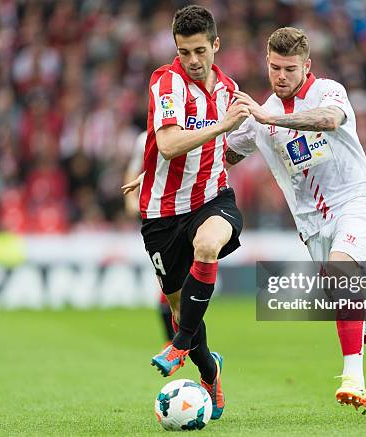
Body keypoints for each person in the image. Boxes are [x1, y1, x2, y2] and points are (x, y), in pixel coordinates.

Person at [224, 27, 366, 411]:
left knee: (341, 270)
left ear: (306, 66)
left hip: (356, 201)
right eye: (275, 67)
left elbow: (330, 120)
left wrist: (269, 119)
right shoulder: (261, 114)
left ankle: (353, 379)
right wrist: (164, 165)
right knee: (354, 313)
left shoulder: (329, 91)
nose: (281, 76)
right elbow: (226, 156)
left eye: (290, 69)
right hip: (312, 225)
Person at [129, 5, 250, 420]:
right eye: (185, 52)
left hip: (213, 200)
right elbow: (168, 145)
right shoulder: (166, 82)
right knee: (181, 307)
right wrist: (148, 169)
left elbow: (235, 145)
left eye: (200, 50)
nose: (194, 61)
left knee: (208, 243)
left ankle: (178, 345)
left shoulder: (230, 90)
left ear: (216, 44)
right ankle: (210, 372)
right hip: (161, 213)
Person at [124, 131, 175, 344]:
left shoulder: (192, 127)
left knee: (181, 277)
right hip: (157, 214)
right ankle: (173, 341)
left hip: (188, 210)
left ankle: (177, 341)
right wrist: (131, 202)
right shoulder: (144, 139)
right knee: (168, 279)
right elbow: (134, 170)